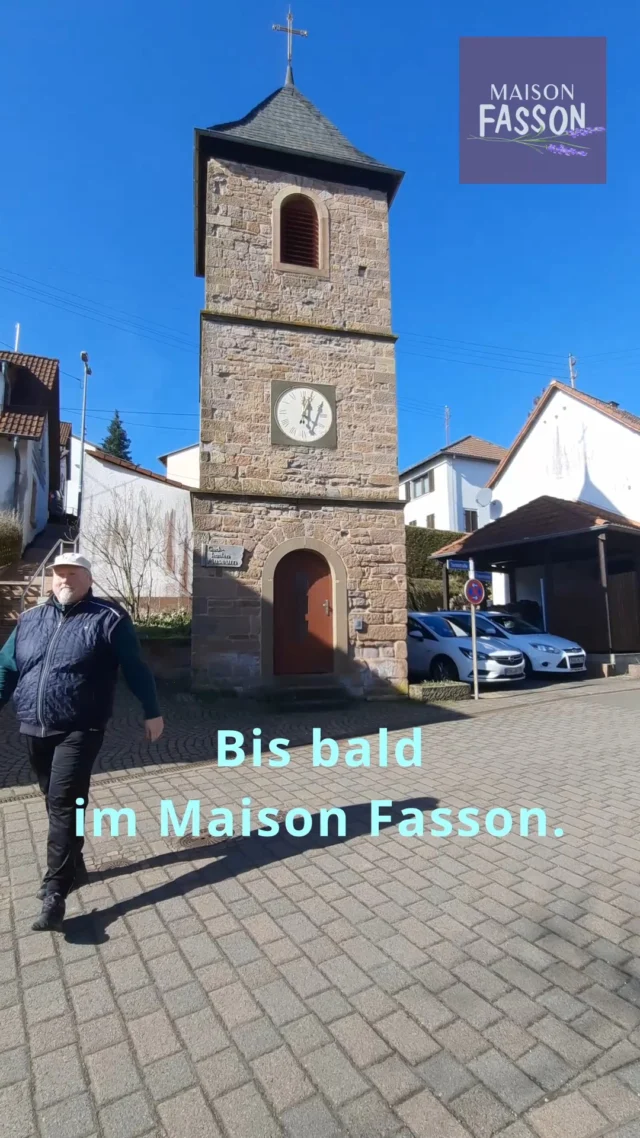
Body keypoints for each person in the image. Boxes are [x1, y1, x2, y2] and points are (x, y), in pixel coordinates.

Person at [0, 553, 164, 932]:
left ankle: (56, 889)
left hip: (81, 727)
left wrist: (151, 709)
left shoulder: (108, 619)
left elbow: (136, 667)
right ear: (50, 580)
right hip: (33, 726)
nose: (65, 580)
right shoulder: (30, 620)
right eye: (58, 574)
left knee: (63, 801)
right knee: (54, 798)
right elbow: (7, 668)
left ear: (88, 579)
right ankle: (75, 864)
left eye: (73, 574)